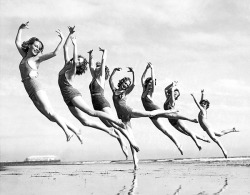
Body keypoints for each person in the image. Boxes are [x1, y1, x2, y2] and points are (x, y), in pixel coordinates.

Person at [15, 21, 82, 143]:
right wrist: (20, 28)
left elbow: (55, 53)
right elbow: (17, 42)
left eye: (39, 48)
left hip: (35, 86)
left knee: (50, 111)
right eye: (35, 46)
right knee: (50, 116)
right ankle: (75, 129)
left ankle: (67, 132)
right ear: (29, 45)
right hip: (29, 90)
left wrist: (62, 39)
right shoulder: (24, 57)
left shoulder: (37, 59)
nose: (37, 49)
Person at [58, 26, 127, 141]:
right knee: (85, 121)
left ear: (77, 66)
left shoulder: (72, 71)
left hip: (72, 94)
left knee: (91, 112)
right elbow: (65, 48)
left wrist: (75, 45)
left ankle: (116, 121)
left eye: (78, 62)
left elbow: (75, 60)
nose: (74, 60)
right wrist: (67, 35)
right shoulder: (66, 65)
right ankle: (108, 130)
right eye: (77, 59)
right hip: (66, 97)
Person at [109, 67, 177, 169]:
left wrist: (133, 73)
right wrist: (114, 71)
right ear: (122, 82)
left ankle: (168, 111)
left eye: (127, 85)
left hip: (129, 111)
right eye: (125, 83)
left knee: (149, 114)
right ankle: (135, 161)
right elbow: (110, 80)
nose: (126, 85)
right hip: (123, 117)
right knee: (131, 138)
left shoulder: (125, 92)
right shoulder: (114, 90)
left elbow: (135, 84)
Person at [141, 63, 206, 153]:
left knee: (173, 115)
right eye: (150, 83)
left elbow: (153, 79)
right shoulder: (144, 90)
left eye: (153, 83)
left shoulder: (151, 92)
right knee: (164, 130)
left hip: (156, 110)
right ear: (147, 83)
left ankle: (191, 119)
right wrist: (146, 69)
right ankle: (178, 145)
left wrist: (152, 69)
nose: (151, 85)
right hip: (150, 115)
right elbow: (142, 78)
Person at [88, 48, 139, 158]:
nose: (96, 68)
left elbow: (103, 60)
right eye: (96, 67)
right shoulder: (93, 77)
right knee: (110, 128)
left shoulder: (101, 77)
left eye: (98, 66)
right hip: (95, 105)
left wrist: (104, 52)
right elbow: (90, 66)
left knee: (116, 123)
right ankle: (122, 143)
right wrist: (90, 56)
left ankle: (131, 141)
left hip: (102, 103)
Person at [191, 90, 239, 158]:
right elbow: (201, 102)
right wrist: (202, 94)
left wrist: (193, 96)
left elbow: (197, 103)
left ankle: (224, 150)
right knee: (220, 134)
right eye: (202, 103)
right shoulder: (203, 109)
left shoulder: (202, 110)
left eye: (204, 104)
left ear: (206, 106)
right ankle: (232, 129)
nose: (202, 104)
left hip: (207, 126)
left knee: (214, 138)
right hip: (207, 126)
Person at [164, 81, 210, 150]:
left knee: (187, 131)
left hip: (176, 118)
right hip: (171, 120)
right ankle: (203, 138)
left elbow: (172, 90)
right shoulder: (167, 98)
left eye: (176, 94)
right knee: (186, 133)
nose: (175, 95)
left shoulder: (172, 101)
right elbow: (165, 89)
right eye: (175, 93)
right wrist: (172, 84)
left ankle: (198, 144)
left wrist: (174, 86)